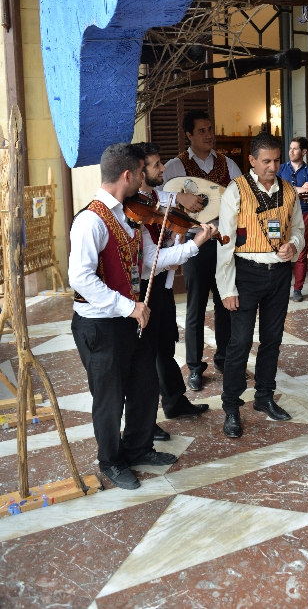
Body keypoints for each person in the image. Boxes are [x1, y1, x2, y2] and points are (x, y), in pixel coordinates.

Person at [69, 144, 177, 491]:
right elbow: (80, 278)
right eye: (142, 173)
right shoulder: (90, 220)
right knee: (110, 398)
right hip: (100, 324)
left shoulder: (127, 215)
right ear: (128, 175)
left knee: (144, 384)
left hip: (128, 319)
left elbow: (141, 262)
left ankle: (139, 447)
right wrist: (129, 306)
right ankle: (111, 461)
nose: (145, 179)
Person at [216, 133, 305, 438]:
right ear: (252, 160)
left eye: (277, 160)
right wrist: (227, 288)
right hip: (245, 274)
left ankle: (264, 397)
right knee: (239, 343)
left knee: (272, 339)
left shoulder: (289, 191)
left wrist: (293, 245)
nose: (273, 166)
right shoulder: (236, 190)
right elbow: (225, 243)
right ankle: (231, 407)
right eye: (266, 161)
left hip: (278, 274)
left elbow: (298, 229)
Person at [133, 143, 212, 437]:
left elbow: (169, 198)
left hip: (162, 286)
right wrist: (194, 244)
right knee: (145, 356)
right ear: (140, 172)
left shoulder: (156, 197)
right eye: (156, 165)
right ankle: (145, 422)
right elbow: (150, 259)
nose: (163, 169)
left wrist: (180, 202)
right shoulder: (134, 210)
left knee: (166, 346)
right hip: (144, 288)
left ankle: (174, 402)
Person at [163, 110, 241, 391]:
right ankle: (195, 367)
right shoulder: (175, 166)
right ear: (189, 135)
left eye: (210, 129)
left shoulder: (228, 164)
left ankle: (224, 358)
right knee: (195, 306)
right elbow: (159, 200)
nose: (208, 135)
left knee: (224, 302)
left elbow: (241, 195)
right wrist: (180, 199)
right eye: (201, 131)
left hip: (222, 242)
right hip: (194, 243)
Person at [277, 136, 308, 302]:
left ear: (304, 151)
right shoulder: (280, 169)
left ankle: (298, 289)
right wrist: (298, 189)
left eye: (295, 149)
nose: (291, 152)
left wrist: (288, 188)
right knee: (279, 249)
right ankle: (279, 287)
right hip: (281, 214)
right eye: (290, 148)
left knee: (301, 252)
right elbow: (277, 188)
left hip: (304, 214)